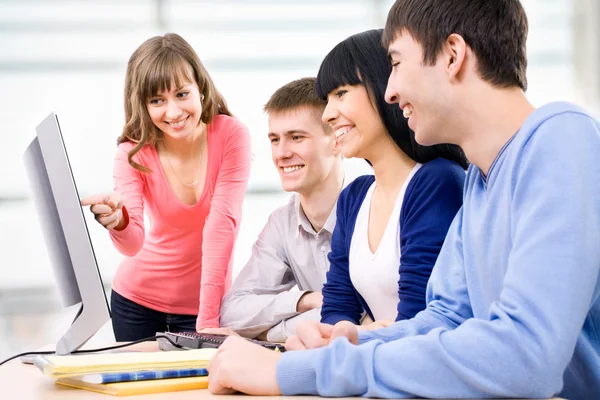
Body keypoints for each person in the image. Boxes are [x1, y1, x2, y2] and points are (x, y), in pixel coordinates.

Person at [206, 1, 600, 399]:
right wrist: (357, 342)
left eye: (395, 63)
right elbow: (446, 320)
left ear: (452, 55)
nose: (390, 91)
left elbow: (526, 356)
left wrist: (308, 372)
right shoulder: (479, 184)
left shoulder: (562, 139)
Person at [81, 33, 251, 341]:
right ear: (143, 105)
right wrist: (118, 222)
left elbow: (222, 226)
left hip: (203, 307)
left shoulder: (231, 135)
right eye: (157, 101)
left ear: (201, 87)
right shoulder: (132, 153)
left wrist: (208, 320)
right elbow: (133, 244)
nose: (173, 113)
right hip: (135, 303)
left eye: (182, 94)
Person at [317, 29, 466, 328]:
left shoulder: (436, 181)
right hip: (371, 367)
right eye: (326, 100)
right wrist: (362, 331)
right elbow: (334, 310)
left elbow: (418, 321)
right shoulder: (354, 197)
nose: (327, 115)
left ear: (385, 88)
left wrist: (358, 333)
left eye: (341, 94)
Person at [218, 77, 345, 342]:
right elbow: (232, 312)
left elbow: (358, 316)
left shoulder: (371, 208)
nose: (281, 153)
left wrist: (269, 332)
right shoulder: (282, 223)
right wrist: (304, 300)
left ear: (336, 141)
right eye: (275, 140)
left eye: (296, 137)